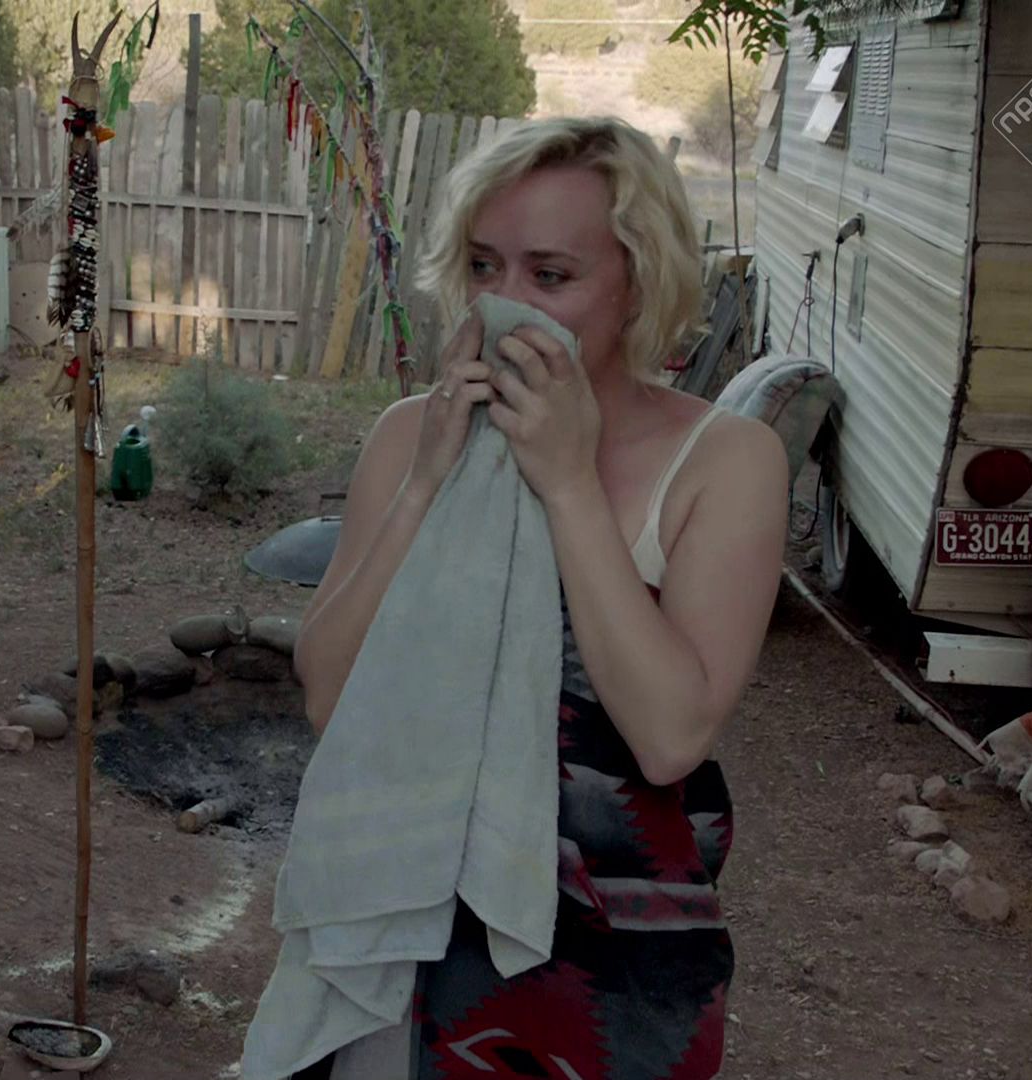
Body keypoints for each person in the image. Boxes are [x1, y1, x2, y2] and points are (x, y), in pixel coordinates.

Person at [287, 116, 788, 1077]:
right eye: (484, 267)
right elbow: (327, 697)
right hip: (406, 931)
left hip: (610, 971)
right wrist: (426, 484)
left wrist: (567, 482)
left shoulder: (724, 461)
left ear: (638, 284)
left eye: (550, 276)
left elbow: (669, 738)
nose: (506, 304)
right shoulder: (410, 435)